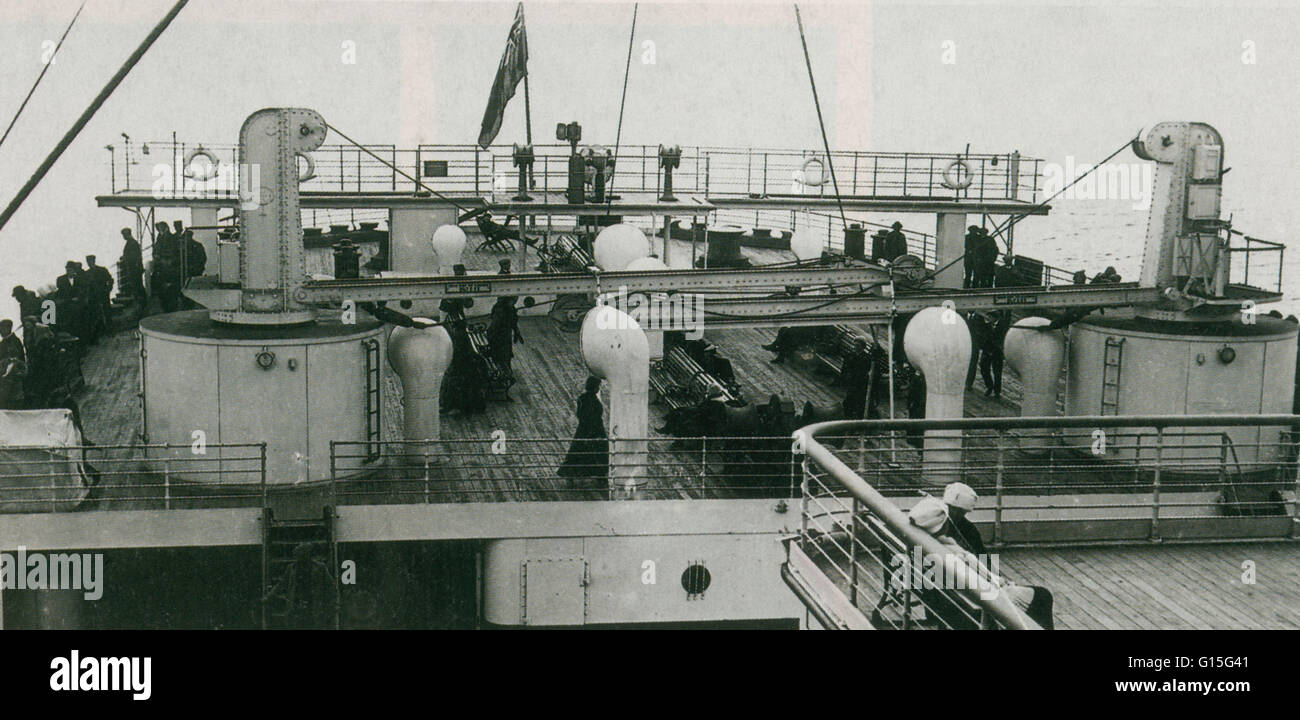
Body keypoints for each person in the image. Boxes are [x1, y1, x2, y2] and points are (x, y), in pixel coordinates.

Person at [557, 376, 609, 485]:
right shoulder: (594, 401)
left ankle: (570, 476)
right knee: (599, 453)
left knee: (578, 452)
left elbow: (580, 414)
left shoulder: (582, 398)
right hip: (595, 429)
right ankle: (600, 475)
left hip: (583, 429)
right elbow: (595, 416)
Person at [441, 319, 486, 415]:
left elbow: (457, 353)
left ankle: (451, 406)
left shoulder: (458, 337)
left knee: (452, 383)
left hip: (462, 366)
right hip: (466, 365)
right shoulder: (462, 335)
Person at [486, 295, 523, 391]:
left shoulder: (508, 309)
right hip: (500, 338)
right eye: (514, 299)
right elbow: (496, 326)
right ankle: (505, 378)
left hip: (504, 337)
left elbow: (513, 322)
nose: (516, 300)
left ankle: (505, 377)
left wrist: (516, 332)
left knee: (506, 357)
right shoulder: (502, 310)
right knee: (502, 357)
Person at [840, 337, 873, 420]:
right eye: (855, 345)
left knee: (859, 400)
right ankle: (847, 416)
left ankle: (857, 417)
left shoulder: (866, 358)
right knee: (849, 399)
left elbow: (868, 370)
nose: (855, 347)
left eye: (858, 345)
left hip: (861, 383)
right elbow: (844, 368)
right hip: (851, 381)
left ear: (862, 347)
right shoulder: (849, 355)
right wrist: (844, 378)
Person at [118, 228, 146, 309]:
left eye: (124, 235)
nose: (123, 236)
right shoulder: (132, 242)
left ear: (127, 234)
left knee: (137, 286)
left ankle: (142, 303)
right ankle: (141, 303)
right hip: (134, 268)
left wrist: (124, 258)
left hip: (134, 269)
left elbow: (133, 256)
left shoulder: (132, 243)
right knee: (136, 286)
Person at [905, 369, 926, 448]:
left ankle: (913, 439)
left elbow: (911, 392)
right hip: (918, 404)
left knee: (915, 421)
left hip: (918, 404)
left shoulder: (916, 378)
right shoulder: (918, 379)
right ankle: (914, 439)